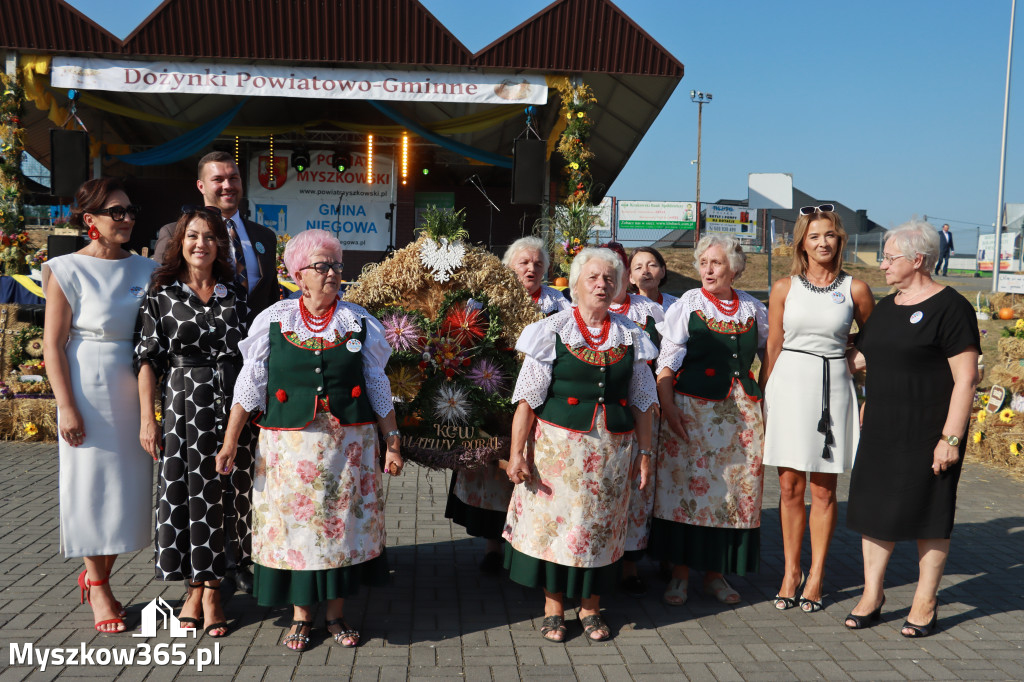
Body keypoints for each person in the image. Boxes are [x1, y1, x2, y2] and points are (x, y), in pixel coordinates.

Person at [217, 229, 404, 651]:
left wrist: (392, 441)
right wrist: (230, 442)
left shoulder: (359, 322)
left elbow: (377, 384)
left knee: (341, 528)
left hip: (348, 449)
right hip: (289, 450)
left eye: (336, 265)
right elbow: (250, 385)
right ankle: (301, 616)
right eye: (322, 266)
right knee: (297, 531)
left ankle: (336, 616)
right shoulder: (273, 320)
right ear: (298, 276)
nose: (332, 273)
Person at [504, 247, 658, 642]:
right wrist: (517, 454)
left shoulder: (632, 335)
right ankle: (553, 606)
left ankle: (591, 607)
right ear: (575, 285)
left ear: (620, 285)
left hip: (611, 454)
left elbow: (643, 403)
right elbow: (526, 402)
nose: (602, 285)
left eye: (609, 278)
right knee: (558, 529)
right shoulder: (551, 330)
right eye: (592, 277)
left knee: (601, 529)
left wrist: (645, 454)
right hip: (558, 455)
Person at [844, 220, 979, 637]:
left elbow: (967, 379)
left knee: (929, 515)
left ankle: (925, 601)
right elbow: (862, 359)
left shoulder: (951, 307)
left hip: (928, 431)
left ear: (917, 260)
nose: (881, 265)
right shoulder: (887, 307)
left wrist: (951, 439)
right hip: (881, 429)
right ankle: (872, 595)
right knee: (873, 511)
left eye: (888, 257)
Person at [156, 151, 278, 593]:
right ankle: (203, 570)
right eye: (217, 179)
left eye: (233, 178)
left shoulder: (263, 236)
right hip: (194, 385)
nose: (226, 186)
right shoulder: (175, 234)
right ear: (200, 186)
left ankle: (239, 557)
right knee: (200, 477)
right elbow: (164, 303)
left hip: (248, 375)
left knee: (241, 472)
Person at [42, 178, 158, 633]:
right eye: (117, 211)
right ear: (90, 220)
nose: (127, 218)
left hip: (131, 385)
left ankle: (97, 575)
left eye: (131, 210)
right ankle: (99, 585)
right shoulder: (65, 269)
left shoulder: (146, 269)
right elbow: (52, 345)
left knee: (125, 493)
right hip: (85, 382)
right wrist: (65, 406)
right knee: (90, 486)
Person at [134, 206, 254, 638]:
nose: (200, 243)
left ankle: (212, 590)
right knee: (186, 495)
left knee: (225, 496)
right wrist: (148, 420)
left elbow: (252, 359)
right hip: (185, 408)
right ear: (179, 243)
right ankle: (194, 590)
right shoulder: (162, 293)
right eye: (192, 236)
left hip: (232, 408)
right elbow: (148, 359)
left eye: (209, 236)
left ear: (220, 244)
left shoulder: (236, 293)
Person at [760, 206, 874, 613]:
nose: (822, 242)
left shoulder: (855, 289)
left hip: (834, 390)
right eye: (814, 236)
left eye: (829, 235)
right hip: (788, 387)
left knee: (824, 491)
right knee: (789, 487)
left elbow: (876, 341)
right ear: (802, 245)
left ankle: (818, 573)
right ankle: (791, 571)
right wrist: (762, 398)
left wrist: (856, 360)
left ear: (839, 241)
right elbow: (772, 346)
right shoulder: (782, 288)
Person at [649, 235, 768, 607]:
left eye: (715, 263)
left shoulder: (754, 309)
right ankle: (680, 575)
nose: (708, 269)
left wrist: (764, 395)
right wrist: (669, 411)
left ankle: (716, 575)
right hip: (692, 412)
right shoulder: (689, 304)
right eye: (703, 263)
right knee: (687, 490)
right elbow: (665, 366)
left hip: (742, 417)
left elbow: (771, 353)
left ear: (734, 268)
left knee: (732, 493)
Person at [445, 236, 569, 574]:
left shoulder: (559, 304)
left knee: (531, 469)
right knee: (492, 473)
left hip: (540, 401)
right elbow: (464, 343)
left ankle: (528, 546)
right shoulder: (485, 301)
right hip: (492, 394)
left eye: (538, 263)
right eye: (524, 263)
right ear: (508, 267)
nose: (531, 268)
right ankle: (493, 547)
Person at [602, 242, 666, 597]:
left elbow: (670, 356)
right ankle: (598, 559)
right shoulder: (580, 310)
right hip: (601, 415)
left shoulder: (649, 311)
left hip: (641, 413)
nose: (611, 279)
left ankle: (628, 565)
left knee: (636, 489)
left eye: (617, 271)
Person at [629, 246, 677, 310]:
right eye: (638, 267)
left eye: (652, 265)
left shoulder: (676, 306)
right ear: (631, 277)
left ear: (663, 271)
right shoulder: (626, 310)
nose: (645, 271)